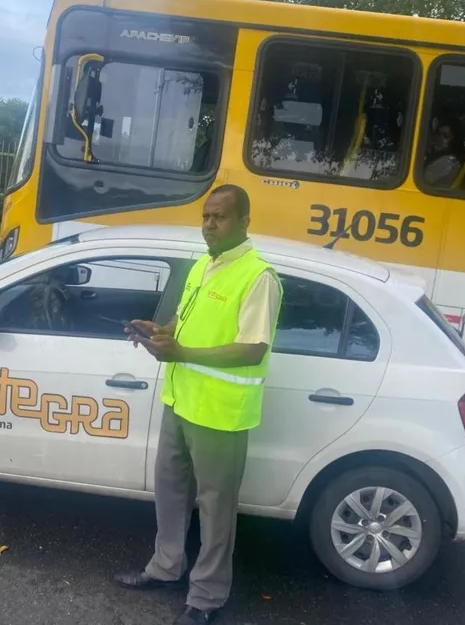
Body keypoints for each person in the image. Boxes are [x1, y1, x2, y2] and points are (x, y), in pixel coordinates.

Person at [115, 184, 283, 625]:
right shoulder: (204, 266)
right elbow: (183, 323)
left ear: (244, 221)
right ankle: (167, 568)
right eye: (206, 216)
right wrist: (158, 330)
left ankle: (206, 598)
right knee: (170, 493)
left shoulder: (257, 276)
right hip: (182, 401)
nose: (209, 225)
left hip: (220, 416)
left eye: (220, 217)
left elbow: (252, 349)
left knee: (215, 509)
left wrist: (182, 353)